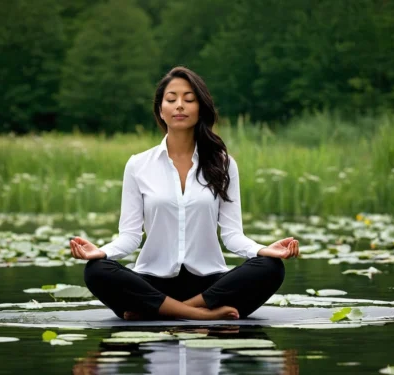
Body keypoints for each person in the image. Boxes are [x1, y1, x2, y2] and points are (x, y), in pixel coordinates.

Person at [70, 66, 299, 321]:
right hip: (152, 282)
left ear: (200, 108)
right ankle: (200, 315)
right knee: (96, 271)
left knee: (271, 268)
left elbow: (233, 236)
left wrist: (263, 250)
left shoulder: (223, 164)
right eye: (171, 99)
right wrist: (101, 252)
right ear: (160, 109)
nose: (180, 105)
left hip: (209, 286)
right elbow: (130, 237)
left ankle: (163, 311)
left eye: (189, 99)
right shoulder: (138, 165)